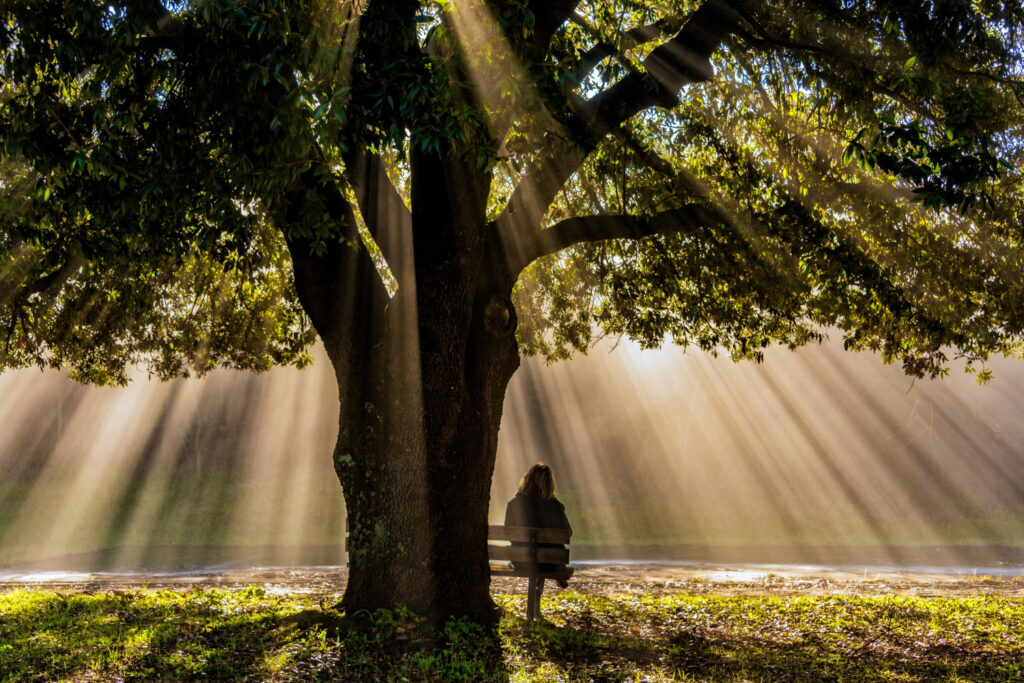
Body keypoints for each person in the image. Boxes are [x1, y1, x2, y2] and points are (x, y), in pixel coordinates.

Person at [504, 462, 572, 589]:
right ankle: (558, 575)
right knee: (544, 555)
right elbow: (568, 533)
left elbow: (508, 533)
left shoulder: (514, 504)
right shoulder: (555, 506)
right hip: (551, 563)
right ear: (550, 483)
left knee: (534, 554)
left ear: (527, 480)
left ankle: (535, 601)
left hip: (521, 561)